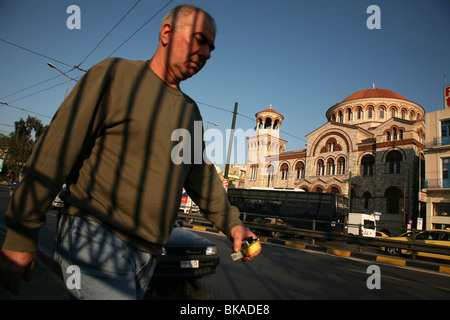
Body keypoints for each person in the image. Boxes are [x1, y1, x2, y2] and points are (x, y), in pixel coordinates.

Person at [0, 4, 260, 299]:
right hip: (94, 235)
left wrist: (233, 225)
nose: (207, 53)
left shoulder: (190, 112)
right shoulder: (115, 75)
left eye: (211, 48)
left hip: (148, 254)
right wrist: (22, 232)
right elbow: (56, 149)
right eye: (199, 40)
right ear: (167, 33)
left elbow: (200, 176)